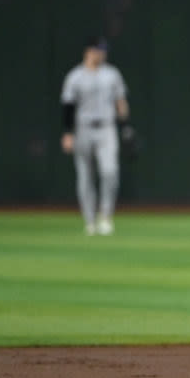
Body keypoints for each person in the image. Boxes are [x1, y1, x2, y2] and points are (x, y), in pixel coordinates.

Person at [60, 36, 131, 236]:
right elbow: (68, 106)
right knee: (85, 176)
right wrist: (68, 133)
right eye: (98, 50)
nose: (102, 54)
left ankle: (106, 216)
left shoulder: (112, 74)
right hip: (83, 128)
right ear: (88, 52)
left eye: (103, 50)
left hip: (107, 127)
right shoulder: (75, 76)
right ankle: (90, 220)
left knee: (110, 171)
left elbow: (120, 101)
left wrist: (125, 127)